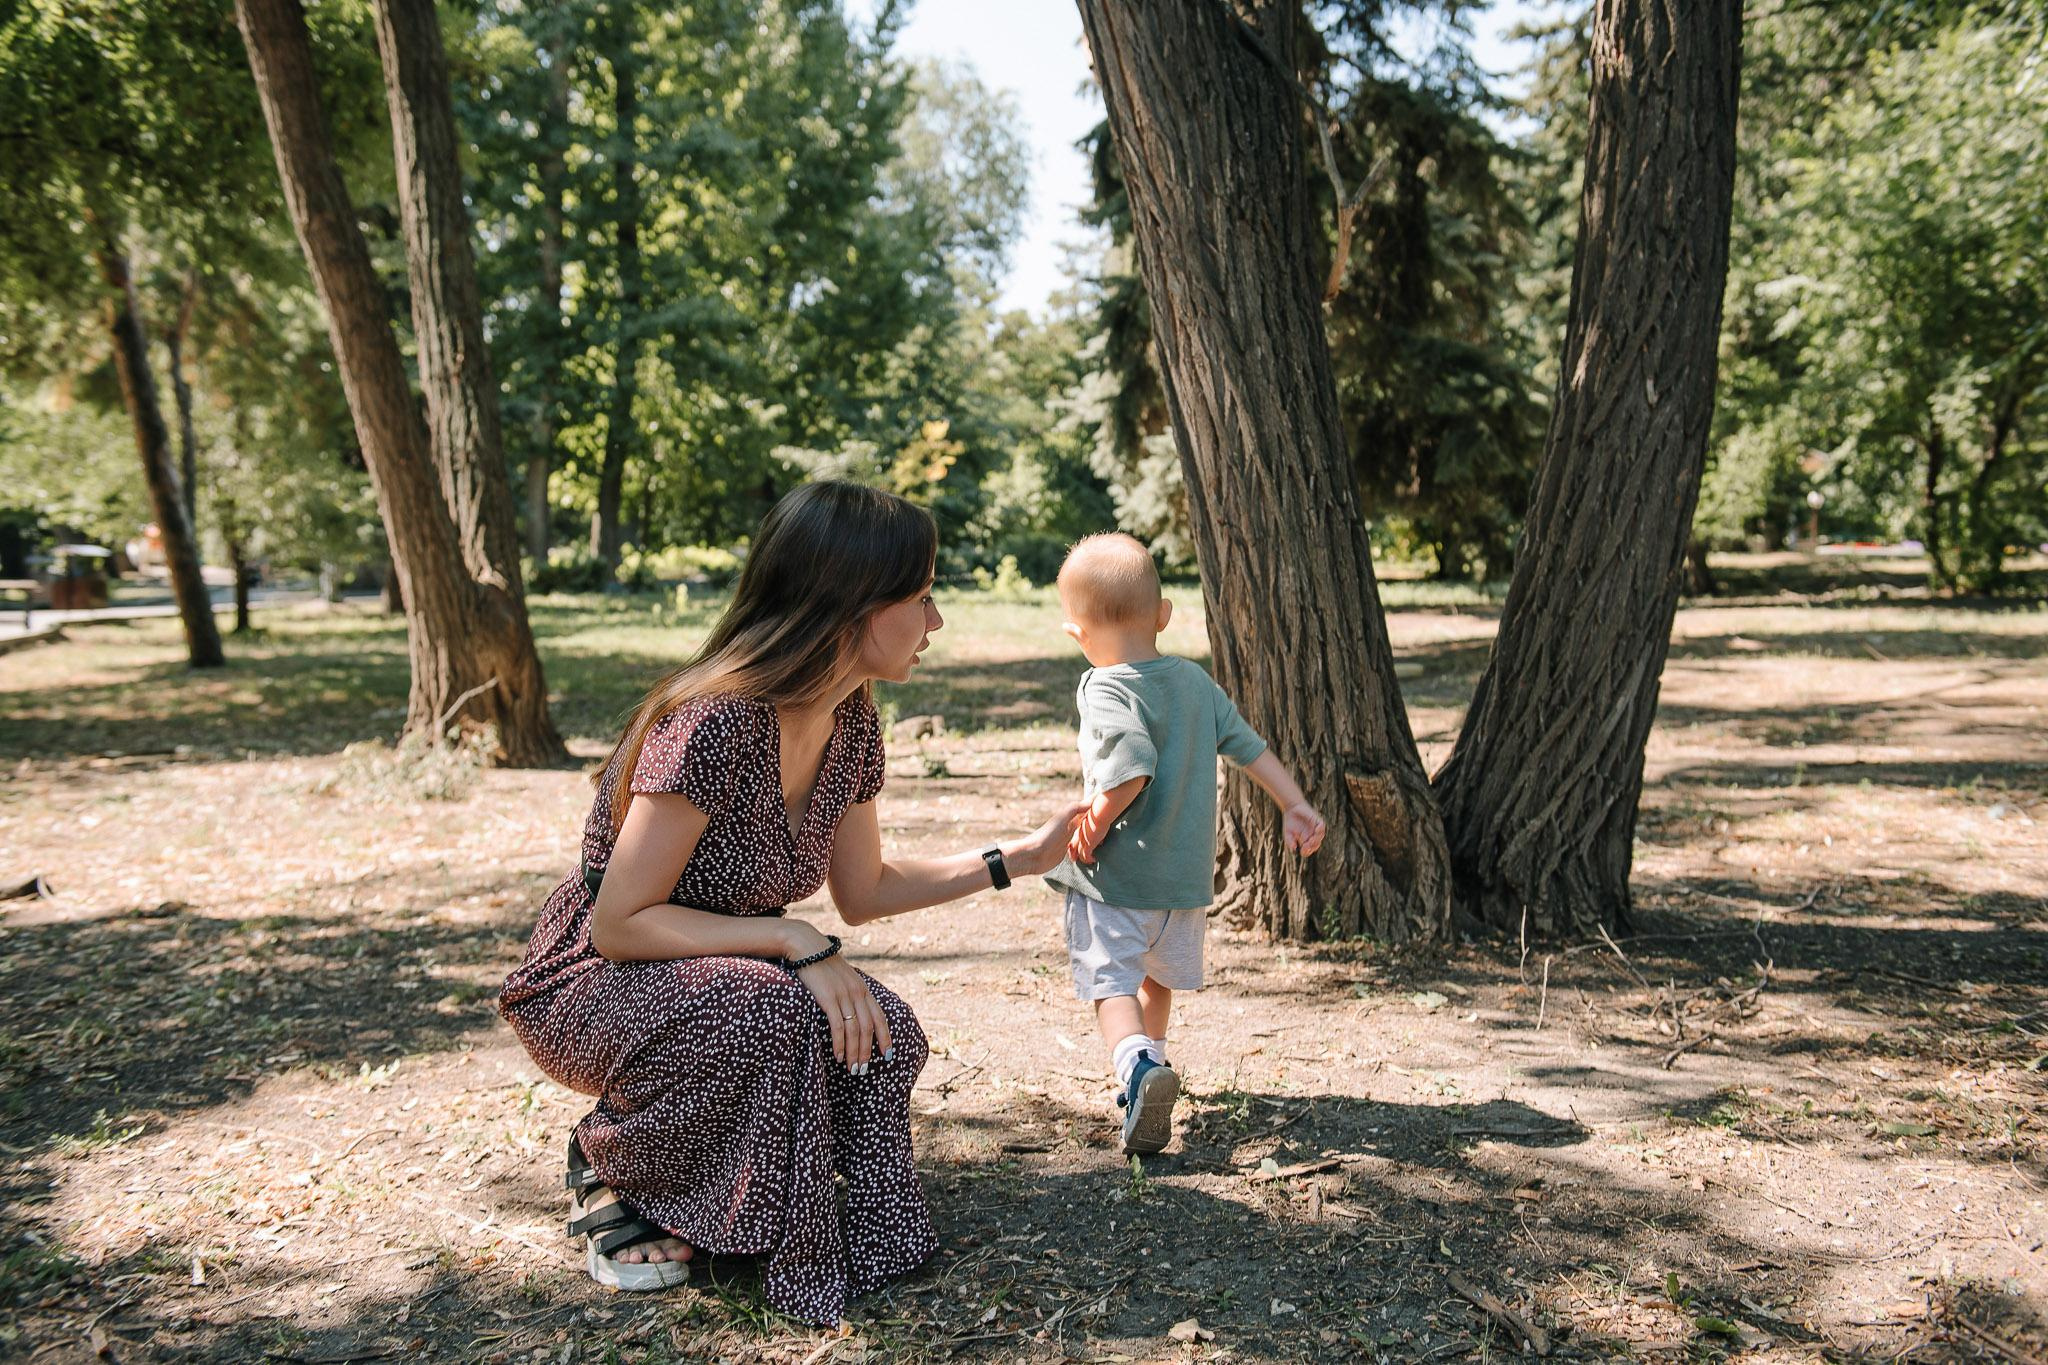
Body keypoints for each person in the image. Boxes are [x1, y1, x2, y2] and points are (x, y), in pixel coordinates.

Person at [497, 482, 1082, 1326]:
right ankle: (616, 1165)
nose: (937, 621)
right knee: (770, 1009)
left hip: (731, 974)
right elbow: (620, 922)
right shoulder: (715, 722)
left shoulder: (852, 721)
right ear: (852, 604)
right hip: (591, 979)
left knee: (880, 1032)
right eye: (922, 597)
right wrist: (791, 938)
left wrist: (1017, 858)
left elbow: (865, 890)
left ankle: (750, 1198)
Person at [1044, 533, 1327, 1155]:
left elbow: (1131, 766)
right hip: (1185, 885)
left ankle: (1137, 1069)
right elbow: (1249, 747)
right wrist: (1293, 803)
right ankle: (1155, 1069)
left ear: (1077, 634)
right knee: (1157, 978)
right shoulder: (1197, 683)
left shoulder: (1102, 686)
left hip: (1119, 877)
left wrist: (1097, 820)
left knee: (1111, 983)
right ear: (1163, 615)